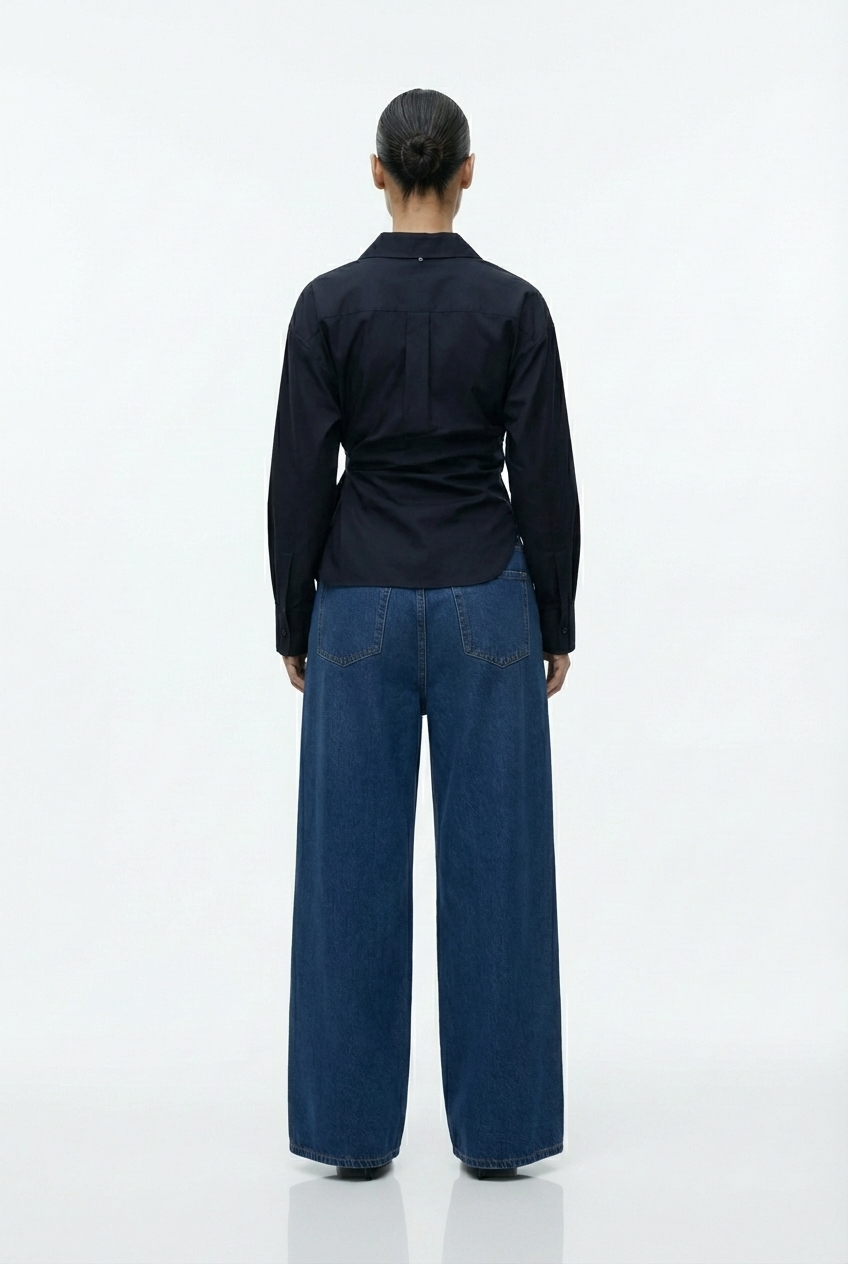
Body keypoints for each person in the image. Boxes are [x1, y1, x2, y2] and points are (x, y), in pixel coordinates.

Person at [267, 88, 580, 1181]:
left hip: (356, 595)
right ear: (466, 172)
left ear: (376, 172)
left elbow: (299, 471)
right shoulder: (514, 306)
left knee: (347, 873)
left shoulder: (326, 305)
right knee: (499, 872)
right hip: (486, 597)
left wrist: (292, 614)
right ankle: (500, 1136)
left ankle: (350, 1136)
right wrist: (555, 611)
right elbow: (543, 472)